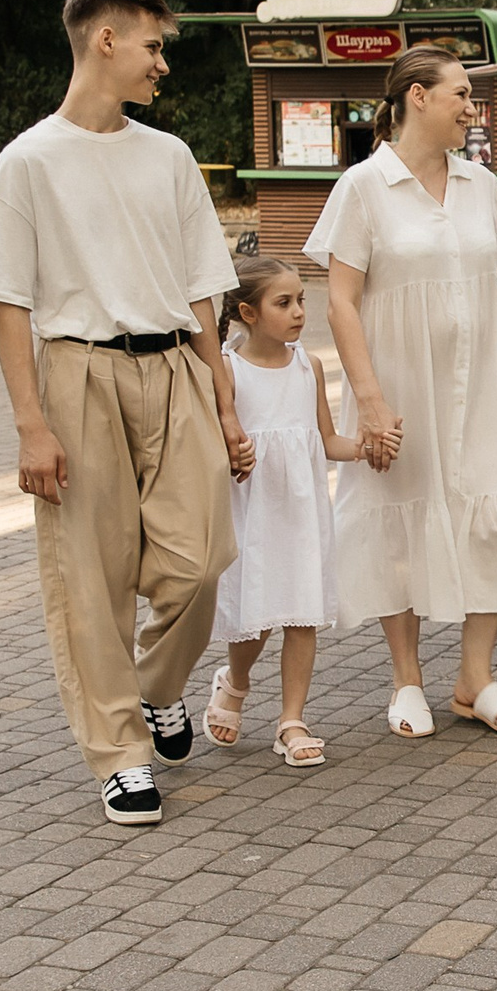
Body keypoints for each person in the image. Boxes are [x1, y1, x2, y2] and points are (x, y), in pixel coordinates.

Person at [0, 0, 251, 828]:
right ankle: (120, 752)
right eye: (154, 47)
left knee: (200, 560)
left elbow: (204, 291)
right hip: (77, 371)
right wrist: (30, 425)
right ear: (107, 42)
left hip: (176, 372)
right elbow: (8, 300)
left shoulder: (169, 156)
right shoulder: (29, 160)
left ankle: (157, 687)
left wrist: (224, 402)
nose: (163, 65)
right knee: (92, 575)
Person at [311, 45, 497, 740]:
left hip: (477, 386)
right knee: (399, 523)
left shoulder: (483, 186)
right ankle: (407, 680)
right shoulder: (363, 187)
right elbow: (340, 303)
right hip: (400, 388)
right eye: (461, 94)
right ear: (417, 97)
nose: (471, 108)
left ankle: (475, 680)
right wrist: (370, 399)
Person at [202, 258, 364, 766]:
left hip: (301, 517)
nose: (298, 312)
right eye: (284, 302)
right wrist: (232, 454)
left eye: (301, 300)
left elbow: (326, 439)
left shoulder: (307, 366)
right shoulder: (227, 370)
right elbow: (213, 443)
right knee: (256, 619)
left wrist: (369, 445)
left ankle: (292, 719)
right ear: (248, 312)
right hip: (251, 514)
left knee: (301, 616)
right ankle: (237, 680)